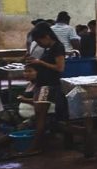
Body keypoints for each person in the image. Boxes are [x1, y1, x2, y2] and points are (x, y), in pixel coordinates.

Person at [24, 23, 69, 152]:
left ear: (47, 36)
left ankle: (36, 144)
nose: (39, 44)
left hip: (48, 85)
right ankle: (39, 142)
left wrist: (40, 62)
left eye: (40, 41)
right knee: (39, 114)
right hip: (42, 83)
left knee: (40, 115)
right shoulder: (47, 48)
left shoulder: (58, 47)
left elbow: (60, 68)